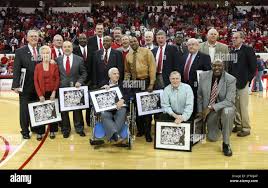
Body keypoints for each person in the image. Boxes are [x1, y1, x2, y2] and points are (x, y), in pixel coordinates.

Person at [197, 60, 236, 156]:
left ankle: (226, 144)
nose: (217, 68)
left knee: (228, 112)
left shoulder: (230, 79)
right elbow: (200, 96)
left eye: (219, 66)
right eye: (214, 65)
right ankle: (219, 124)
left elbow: (229, 101)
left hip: (223, 107)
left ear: (223, 66)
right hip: (211, 110)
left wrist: (210, 108)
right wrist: (200, 111)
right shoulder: (203, 76)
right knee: (212, 138)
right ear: (211, 66)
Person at [125, 36, 156, 142]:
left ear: (138, 41)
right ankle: (141, 130)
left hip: (145, 81)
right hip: (134, 83)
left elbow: (152, 68)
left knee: (146, 109)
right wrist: (126, 82)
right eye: (131, 41)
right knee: (137, 108)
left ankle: (148, 133)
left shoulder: (146, 52)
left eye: (134, 40)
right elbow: (127, 71)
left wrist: (151, 84)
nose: (133, 42)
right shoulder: (128, 55)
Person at [12, 30, 40, 139]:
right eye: (31, 36)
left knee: (35, 108)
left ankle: (34, 127)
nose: (34, 38)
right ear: (27, 38)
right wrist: (15, 85)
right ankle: (24, 131)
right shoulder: (20, 51)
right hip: (25, 86)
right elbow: (16, 69)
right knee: (24, 110)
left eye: (36, 36)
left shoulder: (41, 50)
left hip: (38, 86)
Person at [56, 41, 87, 138]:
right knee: (64, 112)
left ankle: (79, 128)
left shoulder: (79, 59)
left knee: (77, 110)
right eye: (65, 47)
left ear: (72, 48)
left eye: (69, 46)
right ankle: (65, 130)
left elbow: (84, 73)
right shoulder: (57, 60)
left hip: (75, 89)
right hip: (62, 89)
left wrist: (80, 82)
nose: (67, 48)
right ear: (62, 48)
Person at [229, 31, 257, 137]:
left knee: (243, 106)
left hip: (243, 83)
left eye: (236, 38)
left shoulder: (248, 50)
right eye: (233, 38)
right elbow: (231, 68)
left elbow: (253, 67)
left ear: (242, 39)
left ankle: (246, 128)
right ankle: (239, 125)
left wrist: (247, 80)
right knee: (235, 106)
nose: (234, 39)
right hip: (232, 84)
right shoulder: (231, 52)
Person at [179, 38, 211, 118]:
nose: (191, 46)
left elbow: (208, 73)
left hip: (197, 88)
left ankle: (196, 126)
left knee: (196, 109)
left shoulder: (205, 57)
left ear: (198, 46)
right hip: (184, 86)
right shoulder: (184, 56)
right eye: (189, 45)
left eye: (193, 44)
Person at [34, 45, 60, 140]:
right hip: (42, 93)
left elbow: (57, 79)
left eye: (47, 53)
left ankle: (52, 130)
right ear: (41, 55)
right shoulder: (37, 66)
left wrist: (54, 92)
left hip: (52, 92)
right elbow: (35, 81)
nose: (45, 55)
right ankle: (40, 132)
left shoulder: (54, 65)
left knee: (52, 111)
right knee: (41, 113)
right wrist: (40, 95)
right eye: (44, 53)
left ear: (50, 54)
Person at [100, 68, 129, 143]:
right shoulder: (103, 83)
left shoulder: (124, 83)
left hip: (120, 107)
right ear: (109, 75)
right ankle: (117, 136)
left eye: (118, 74)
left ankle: (113, 135)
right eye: (114, 74)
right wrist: (101, 90)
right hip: (107, 108)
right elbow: (97, 96)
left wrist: (122, 100)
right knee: (104, 115)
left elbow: (129, 94)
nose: (117, 75)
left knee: (123, 111)